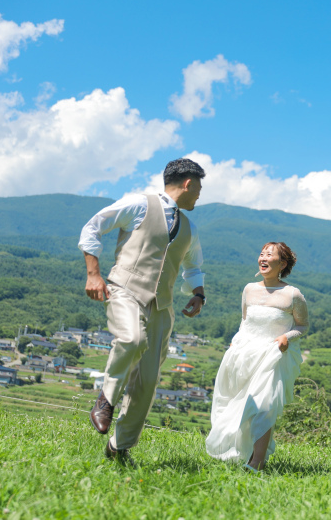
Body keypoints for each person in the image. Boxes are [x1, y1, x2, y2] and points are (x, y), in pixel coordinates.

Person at [79, 157, 207, 464]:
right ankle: (106, 399)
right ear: (187, 183)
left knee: (147, 382)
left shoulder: (189, 227)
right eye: (199, 187)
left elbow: (194, 266)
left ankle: (118, 448)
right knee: (132, 339)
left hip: (162, 305)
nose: (200, 195)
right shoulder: (138, 203)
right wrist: (93, 274)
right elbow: (92, 227)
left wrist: (198, 294)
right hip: (124, 289)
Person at [206, 242, 308, 472]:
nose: (263, 258)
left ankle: (257, 462)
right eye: (262, 254)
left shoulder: (293, 294)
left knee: (265, 404)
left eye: (269, 255)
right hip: (244, 353)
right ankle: (240, 450)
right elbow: (245, 320)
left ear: (282, 264)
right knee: (237, 402)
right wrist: (236, 339)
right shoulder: (249, 289)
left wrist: (287, 337)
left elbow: (303, 326)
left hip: (273, 355)